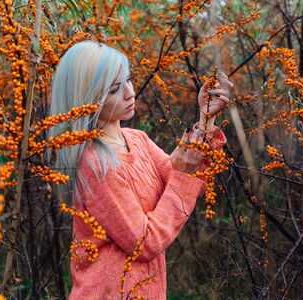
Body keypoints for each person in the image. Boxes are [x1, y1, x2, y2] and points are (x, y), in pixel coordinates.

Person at [46, 41, 232, 299]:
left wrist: (205, 119)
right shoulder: (96, 164)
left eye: (128, 80)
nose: (129, 93)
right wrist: (183, 176)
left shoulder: (136, 139)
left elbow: (182, 176)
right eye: (114, 89)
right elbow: (145, 242)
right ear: (86, 98)